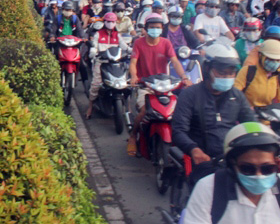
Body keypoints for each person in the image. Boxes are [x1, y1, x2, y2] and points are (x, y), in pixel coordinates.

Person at [184, 122, 280, 224]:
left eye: (267, 169)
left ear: (276, 163)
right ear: (231, 165)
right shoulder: (208, 188)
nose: (258, 175)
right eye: (247, 169)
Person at [172, 44, 256, 186]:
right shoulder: (190, 95)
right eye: (222, 73)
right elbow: (179, 130)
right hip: (203, 160)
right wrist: (194, 149)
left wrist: (272, 144)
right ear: (207, 69)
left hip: (232, 159)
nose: (227, 77)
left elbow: (251, 125)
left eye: (231, 73)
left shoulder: (237, 96)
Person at [127, 13, 191, 155]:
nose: (154, 29)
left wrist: (184, 77)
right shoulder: (139, 43)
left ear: (162, 28)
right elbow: (133, 63)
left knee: (175, 112)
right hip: (146, 86)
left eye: (157, 27)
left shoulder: (166, 43)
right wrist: (134, 76)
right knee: (144, 111)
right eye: (152, 27)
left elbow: (175, 61)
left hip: (163, 85)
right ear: (146, 28)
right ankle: (133, 136)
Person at [85, 12, 129, 119]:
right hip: (101, 63)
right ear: (104, 22)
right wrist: (93, 51)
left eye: (112, 22)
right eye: (108, 21)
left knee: (126, 84)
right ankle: (90, 106)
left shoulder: (117, 35)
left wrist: (133, 50)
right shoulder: (98, 34)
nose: (110, 24)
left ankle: (128, 109)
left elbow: (124, 46)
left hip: (115, 64)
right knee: (95, 85)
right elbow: (94, 46)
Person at [234, 39, 280, 107]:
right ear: (261, 56)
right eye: (271, 59)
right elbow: (235, 93)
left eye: (278, 60)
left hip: (267, 114)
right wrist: (245, 108)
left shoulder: (277, 75)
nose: (275, 63)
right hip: (248, 113)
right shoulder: (247, 71)